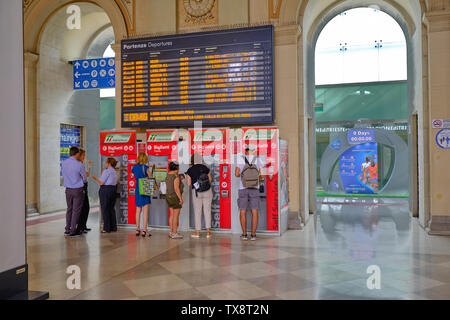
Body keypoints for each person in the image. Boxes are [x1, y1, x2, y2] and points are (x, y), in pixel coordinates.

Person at [235, 145, 263, 241]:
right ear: (253, 151)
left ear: (246, 151)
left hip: (243, 188)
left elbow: (236, 174)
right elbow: (262, 175)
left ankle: (244, 234)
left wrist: (244, 175)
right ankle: (253, 235)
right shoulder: (258, 160)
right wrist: (254, 179)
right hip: (255, 188)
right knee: (254, 211)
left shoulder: (241, 159)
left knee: (243, 210)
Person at [61, 146, 87, 238]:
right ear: (76, 154)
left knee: (69, 209)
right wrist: (80, 179)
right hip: (77, 189)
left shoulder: (63, 163)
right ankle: (73, 231)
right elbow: (84, 178)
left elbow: (63, 174)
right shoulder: (79, 164)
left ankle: (67, 229)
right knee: (76, 210)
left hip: (68, 189)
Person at [186, 153, 213, 239]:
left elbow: (189, 183)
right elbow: (210, 180)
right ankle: (208, 232)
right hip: (207, 191)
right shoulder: (205, 168)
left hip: (197, 192)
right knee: (207, 211)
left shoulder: (190, 170)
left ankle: (197, 232)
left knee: (197, 212)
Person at [92, 158, 118, 233]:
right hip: (113, 190)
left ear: (109, 163)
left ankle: (106, 228)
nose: (105, 163)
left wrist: (95, 178)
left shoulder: (107, 171)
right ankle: (113, 227)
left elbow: (101, 183)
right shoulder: (114, 171)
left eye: (106, 162)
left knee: (105, 209)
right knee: (111, 208)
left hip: (105, 190)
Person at [131, 153, 155, 237]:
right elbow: (150, 177)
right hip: (145, 188)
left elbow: (136, 173)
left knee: (138, 210)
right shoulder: (146, 167)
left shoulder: (134, 167)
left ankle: (138, 229)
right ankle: (144, 230)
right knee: (145, 212)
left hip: (138, 188)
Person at [165, 162, 184, 239]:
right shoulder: (175, 176)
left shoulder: (168, 175)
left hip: (168, 197)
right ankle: (175, 233)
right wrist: (180, 198)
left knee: (172, 215)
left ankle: (171, 232)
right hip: (175, 198)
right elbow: (176, 189)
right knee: (176, 216)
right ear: (177, 168)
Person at [76, 149, 92, 234]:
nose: (84, 157)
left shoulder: (81, 164)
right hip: (81, 186)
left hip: (85, 186)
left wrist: (89, 166)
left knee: (86, 207)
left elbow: (87, 175)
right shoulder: (78, 165)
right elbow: (83, 176)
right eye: (83, 155)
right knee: (84, 207)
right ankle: (80, 227)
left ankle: (83, 226)